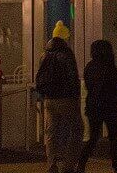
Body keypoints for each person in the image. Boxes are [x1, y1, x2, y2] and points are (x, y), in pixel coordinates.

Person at [35, 21, 81, 173]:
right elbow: (72, 77)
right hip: (66, 98)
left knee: (50, 133)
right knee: (76, 129)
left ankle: (51, 165)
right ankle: (68, 165)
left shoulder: (44, 55)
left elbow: (40, 75)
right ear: (64, 38)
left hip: (49, 99)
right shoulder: (66, 54)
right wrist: (76, 96)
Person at [77, 39, 117, 173]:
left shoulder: (90, 66)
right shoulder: (109, 66)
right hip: (109, 106)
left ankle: (81, 163)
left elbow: (89, 86)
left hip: (94, 106)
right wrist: (116, 101)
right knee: (114, 138)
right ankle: (116, 165)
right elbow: (116, 87)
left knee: (93, 137)